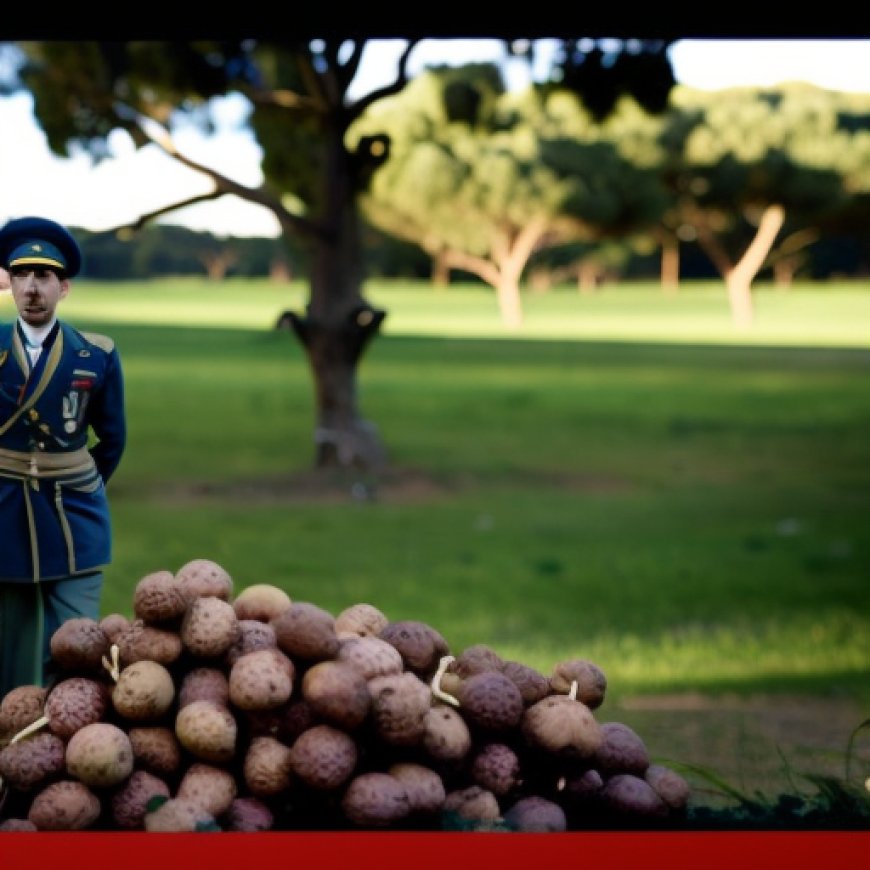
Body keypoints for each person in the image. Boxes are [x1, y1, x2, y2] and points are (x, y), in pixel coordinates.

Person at [0, 216, 126, 699]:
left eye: (44, 276)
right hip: (4, 509)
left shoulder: (95, 355)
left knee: (75, 647)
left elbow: (112, 439)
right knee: (7, 647)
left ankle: (70, 742)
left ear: (64, 286)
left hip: (73, 512)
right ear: (8, 283)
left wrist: (80, 482)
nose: (32, 288)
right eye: (22, 276)